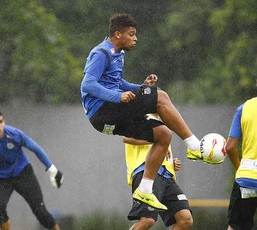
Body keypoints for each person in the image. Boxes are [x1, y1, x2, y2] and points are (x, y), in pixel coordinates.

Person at [80, 13, 202, 210]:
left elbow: (118, 83)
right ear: (118, 34)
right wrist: (117, 97)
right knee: (160, 96)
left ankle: (145, 189)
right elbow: (88, 84)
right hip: (102, 111)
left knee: (163, 134)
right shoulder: (102, 53)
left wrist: (141, 87)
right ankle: (195, 145)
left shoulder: (118, 54)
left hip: (108, 118)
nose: (135, 38)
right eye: (131, 34)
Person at [0, 110, 64, 230]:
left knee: (40, 212)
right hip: (2, 178)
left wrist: (51, 169)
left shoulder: (14, 134)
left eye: (0, 122)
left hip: (24, 174)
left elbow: (35, 148)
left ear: (4, 122)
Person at [124, 114, 193, 230]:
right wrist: (156, 140)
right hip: (146, 173)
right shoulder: (139, 115)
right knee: (147, 220)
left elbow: (161, 151)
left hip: (167, 176)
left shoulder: (161, 123)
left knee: (185, 219)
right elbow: (126, 137)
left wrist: (172, 162)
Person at [225, 84, 257, 230]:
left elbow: (230, 147)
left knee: (236, 227)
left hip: (247, 179)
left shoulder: (244, 108)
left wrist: (239, 167)